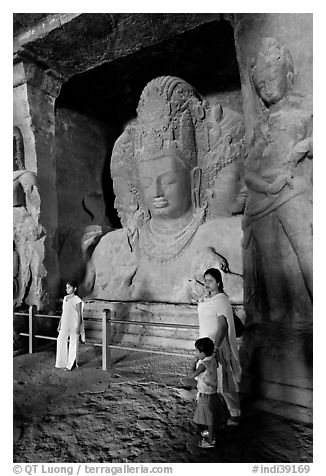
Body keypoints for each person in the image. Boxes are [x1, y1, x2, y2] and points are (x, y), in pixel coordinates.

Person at [198, 268, 241, 426]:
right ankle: (210, 408)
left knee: (224, 379)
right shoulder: (206, 299)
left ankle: (235, 412)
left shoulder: (221, 299)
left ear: (218, 282)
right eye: (205, 280)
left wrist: (215, 348)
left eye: (210, 280)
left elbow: (222, 326)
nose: (206, 283)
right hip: (205, 342)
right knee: (207, 377)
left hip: (217, 344)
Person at [189, 337, 220, 448]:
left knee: (209, 418)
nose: (196, 353)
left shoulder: (203, 364)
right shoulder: (212, 358)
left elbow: (192, 375)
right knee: (209, 415)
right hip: (211, 393)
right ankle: (210, 432)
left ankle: (210, 440)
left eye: (196, 351)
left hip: (206, 394)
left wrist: (193, 362)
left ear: (202, 352)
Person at [55, 281, 84, 371]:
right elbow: (64, 312)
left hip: (74, 324)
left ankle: (70, 364)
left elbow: (80, 314)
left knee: (73, 344)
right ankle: (61, 362)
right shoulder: (65, 298)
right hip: (64, 323)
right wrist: (60, 323)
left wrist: (78, 326)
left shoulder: (77, 300)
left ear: (75, 288)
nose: (67, 289)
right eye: (66, 287)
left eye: (69, 287)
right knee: (60, 340)